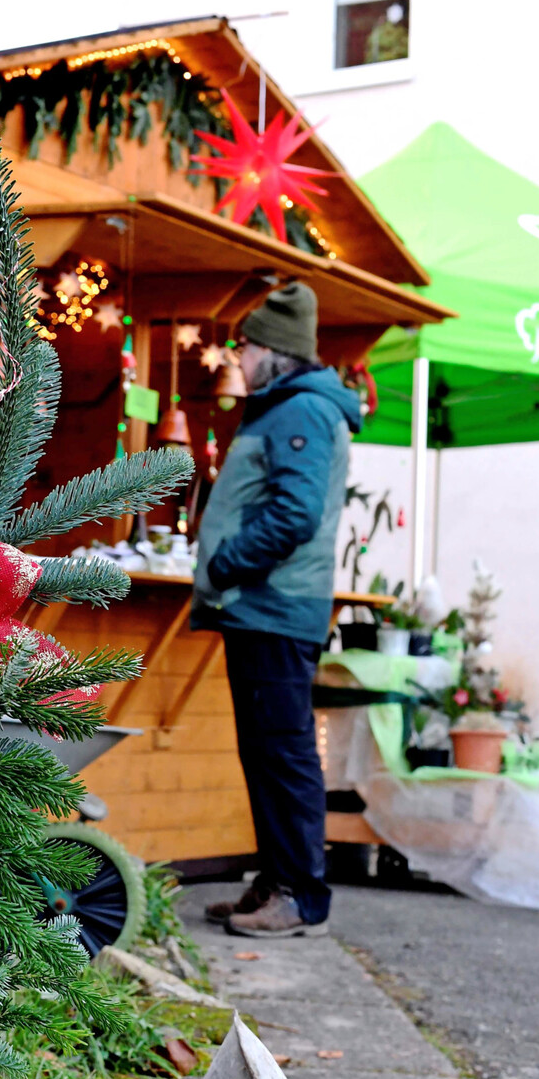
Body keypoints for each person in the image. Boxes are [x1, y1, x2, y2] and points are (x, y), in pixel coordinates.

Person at [190, 281, 362, 937]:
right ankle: (277, 881)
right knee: (266, 752)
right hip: (260, 608)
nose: (240, 356)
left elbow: (295, 512)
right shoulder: (287, 405)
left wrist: (228, 563)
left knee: (284, 753)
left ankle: (301, 895)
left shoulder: (301, 412)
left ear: (276, 352)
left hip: (273, 606)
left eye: (248, 345)